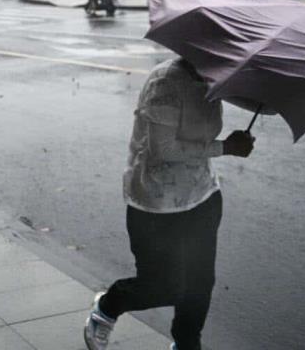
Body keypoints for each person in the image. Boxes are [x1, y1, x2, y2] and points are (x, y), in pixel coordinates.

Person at [83, 57, 255, 350]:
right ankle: (109, 306)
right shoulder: (165, 82)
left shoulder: (216, 77)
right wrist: (226, 147)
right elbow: (164, 150)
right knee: (164, 286)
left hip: (203, 197)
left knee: (200, 286)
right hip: (156, 203)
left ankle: (187, 343)